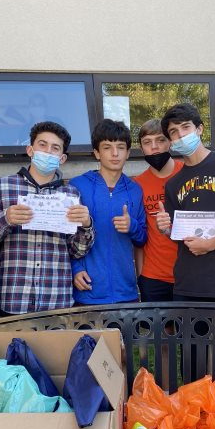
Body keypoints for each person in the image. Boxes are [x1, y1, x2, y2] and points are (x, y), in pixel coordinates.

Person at [0, 121, 95, 315]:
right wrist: (6, 218)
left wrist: (86, 225)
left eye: (55, 148)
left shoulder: (70, 194)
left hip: (57, 301)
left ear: (62, 158)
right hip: (14, 299)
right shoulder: (3, 186)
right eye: (42, 145)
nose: (47, 152)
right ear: (30, 150)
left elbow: (77, 251)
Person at [155, 103, 215, 303]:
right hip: (187, 284)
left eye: (185, 127)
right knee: (188, 336)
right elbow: (180, 236)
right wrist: (166, 230)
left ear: (199, 129)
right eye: (174, 131)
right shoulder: (173, 184)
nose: (180, 135)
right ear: (171, 141)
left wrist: (210, 244)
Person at [70, 119, 146, 304]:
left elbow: (142, 238)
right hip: (88, 289)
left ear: (128, 153)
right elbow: (65, 235)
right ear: (97, 153)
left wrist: (132, 226)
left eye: (120, 147)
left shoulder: (135, 190)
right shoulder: (78, 185)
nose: (114, 153)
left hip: (125, 291)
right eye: (107, 147)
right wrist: (75, 269)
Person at [133, 119, 184, 302]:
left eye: (160, 140)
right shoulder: (137, 185)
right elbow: (140, 234)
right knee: (160, 330)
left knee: (189, 329)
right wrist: (141, 275)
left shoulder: (188, 173)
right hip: (153, 276)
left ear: (170, 141)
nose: (154, 148)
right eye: (147, 142)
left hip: (187, 274)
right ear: (141, 148)